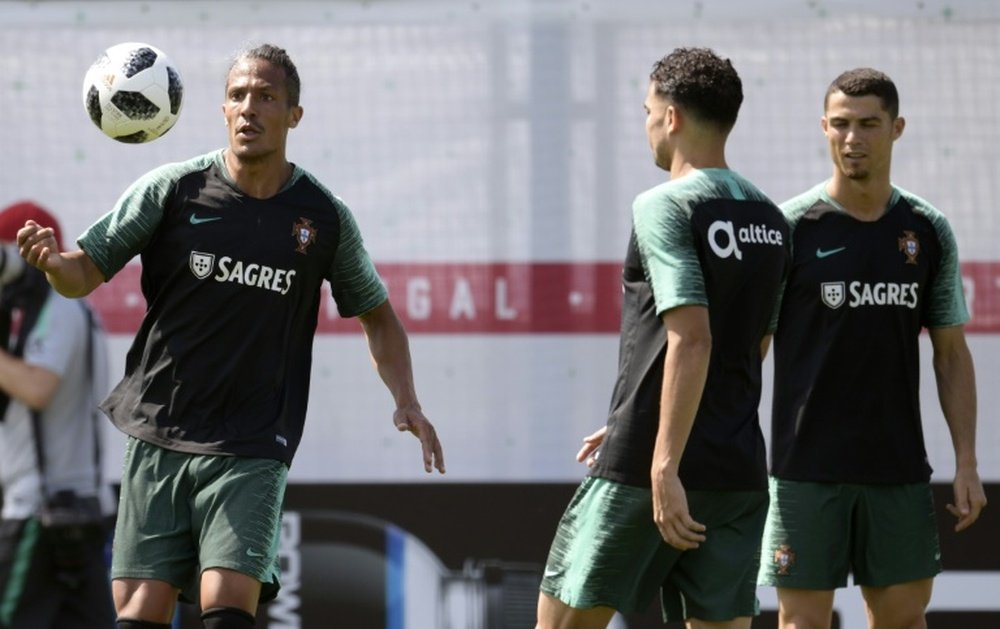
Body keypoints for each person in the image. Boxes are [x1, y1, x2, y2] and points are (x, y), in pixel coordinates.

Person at [16, 43, 445, 629]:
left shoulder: (322, 217)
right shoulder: (171, 190)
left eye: (266, 96)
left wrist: (408, 401)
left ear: (294, 114)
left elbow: (378, 316)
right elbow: (82, 272)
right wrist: (51, 263)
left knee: (227, 598)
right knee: (141, 609)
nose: (250, 108)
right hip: (159, 426)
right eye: (239, 96)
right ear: (222, 110)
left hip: (252, 440)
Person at [535, 47, 789, 629]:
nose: (647, 125)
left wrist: (662, 461)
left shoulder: (664, 205)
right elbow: (749, 348)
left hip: (649, 465)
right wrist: (639, 404)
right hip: (735, 469)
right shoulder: (773, 220)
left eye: (648, 110)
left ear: (671, 117)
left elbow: (693, 340)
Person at [757, 67, 988, 628]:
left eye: (868, 124)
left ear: (897, 128)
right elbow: (750, 349)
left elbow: (951, 354)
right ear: (823, 127)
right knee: (801, 623)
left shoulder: (926, 229)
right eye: (840, 125)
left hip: (896, 468)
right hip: (804, 471)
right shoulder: (789, 228)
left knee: (903, 620)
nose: (852, 138)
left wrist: (966, 462)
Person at [0, 201, 116, 628]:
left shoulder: (59, 305)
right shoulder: (47, 310)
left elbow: (36, 387)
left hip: (44, 511)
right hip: (67, 510)